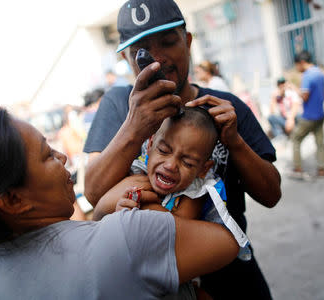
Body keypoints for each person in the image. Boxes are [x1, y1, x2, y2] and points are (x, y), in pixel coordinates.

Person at [83, 1, 281, 299]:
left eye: (168, 42)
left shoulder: (226, 107)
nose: (158, 59)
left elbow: (271, 195)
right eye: (142, 52)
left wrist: (235, 141)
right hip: (158, 283)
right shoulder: (117, 105)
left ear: (187, 41)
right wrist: (135, 125)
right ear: (125, 58)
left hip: (233, 276)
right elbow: (94, 193)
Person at [0, 107, 239, 299]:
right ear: (14, 200)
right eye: (47, 155)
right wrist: (119, 204)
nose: (62, 156)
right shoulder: (133, 235)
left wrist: (103, 209)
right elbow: (228, 243)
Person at [290, 50, 324, 178]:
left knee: (295, 138)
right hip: (320, 114)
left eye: (296, 65)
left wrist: (294, 89)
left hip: (309, 117)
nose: (296, 68)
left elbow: (304, 96)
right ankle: (322, 169)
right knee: (320, 142)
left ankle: (297, 168)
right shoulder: (319, 73)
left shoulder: (307, 75)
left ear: (301, 63)